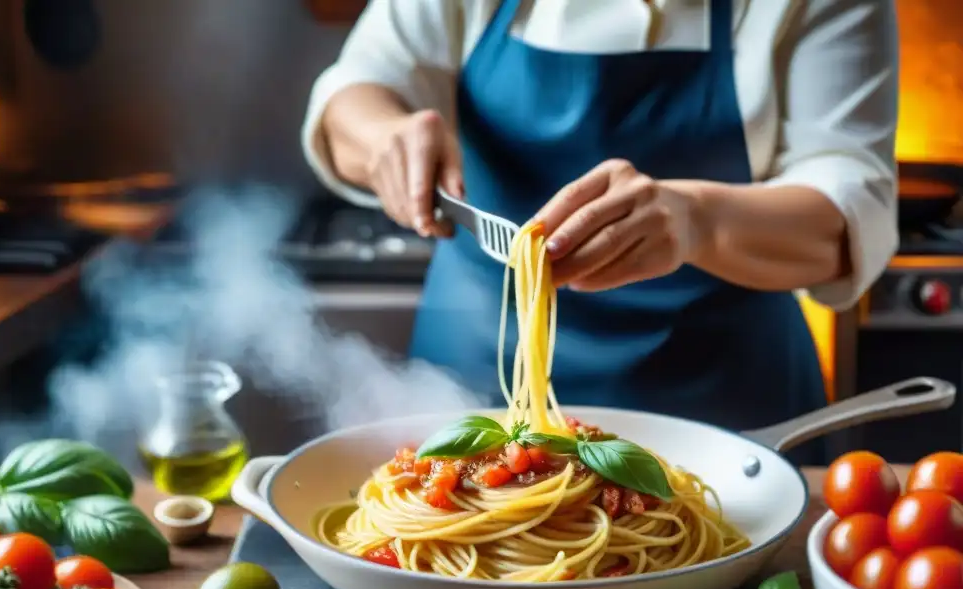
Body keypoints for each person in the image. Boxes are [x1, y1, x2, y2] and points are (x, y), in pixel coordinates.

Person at [301, 0, 898, 463]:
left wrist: (697, 220)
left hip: (722, 409)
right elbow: (356, 89)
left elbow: (848, 210)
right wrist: (385, 138)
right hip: (467, 385)